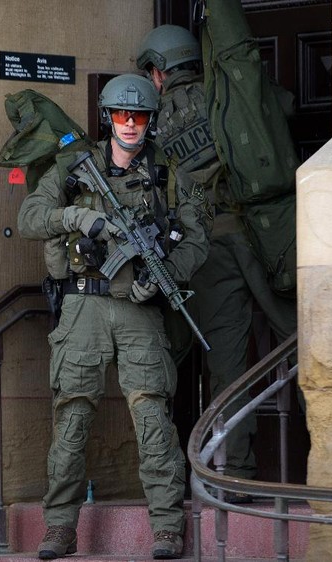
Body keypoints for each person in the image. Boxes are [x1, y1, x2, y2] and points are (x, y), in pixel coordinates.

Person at [17, 73, 211, 560]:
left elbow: (198, 240)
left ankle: (167, 527)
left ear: (150, 120)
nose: (130, 124)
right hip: (82, 306)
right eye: (122, 115)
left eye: (139, 116)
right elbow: (29, 219)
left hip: (138, 310)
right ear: (108, 118)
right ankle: (59, 527)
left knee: (152, 418)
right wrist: (75, 217)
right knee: (72, 419)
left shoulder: (168, 173)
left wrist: (165, 270)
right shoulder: (71, 167)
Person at [136, 21, 298, 500]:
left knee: (226, 366)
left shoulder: (153, 121)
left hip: (208, 249)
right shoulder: (226, 93)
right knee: (311, 345)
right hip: (268, 235)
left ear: (160, 71)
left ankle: (239, 476)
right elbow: (281, 109)